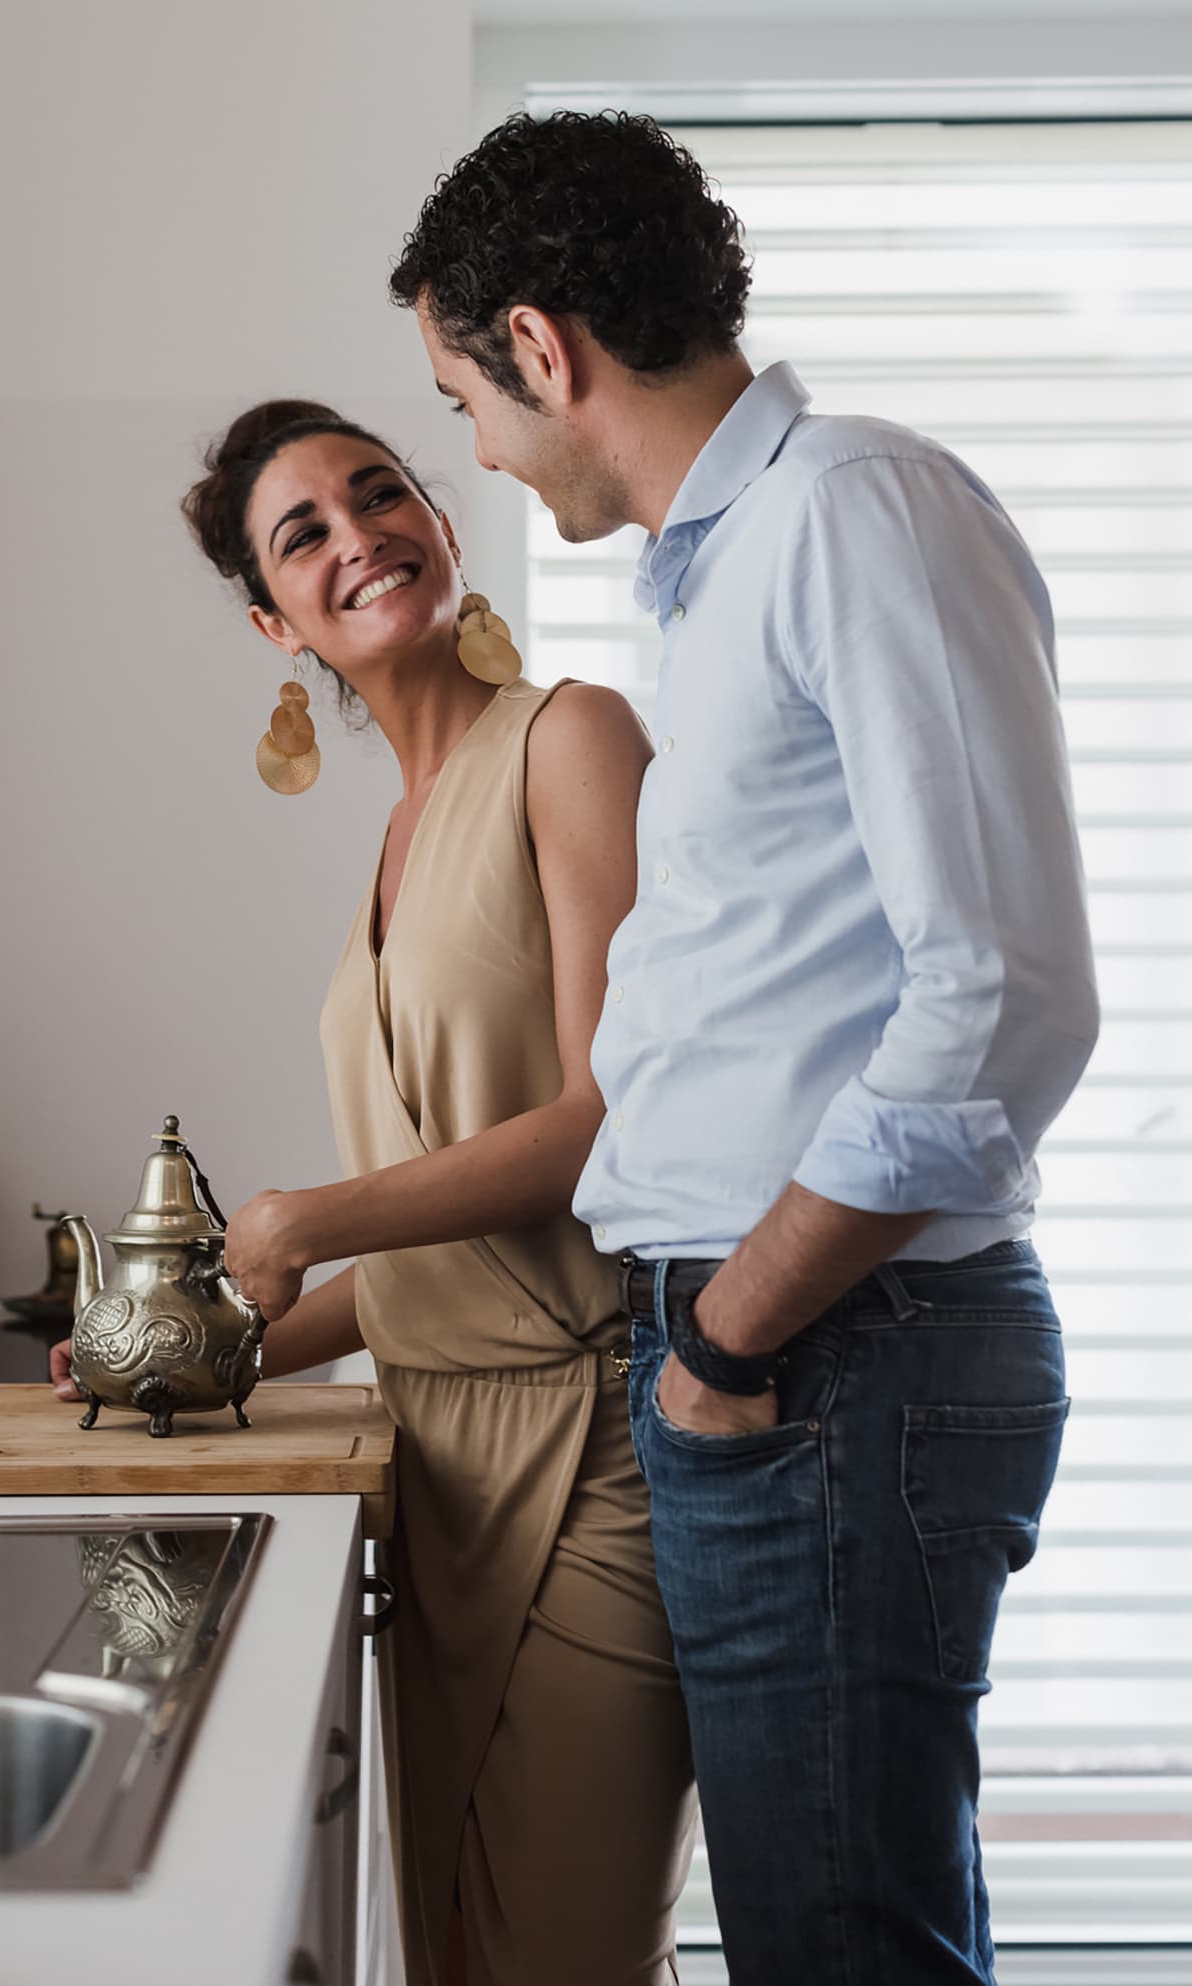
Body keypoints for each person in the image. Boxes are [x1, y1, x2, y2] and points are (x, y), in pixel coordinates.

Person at [390, 110, 1100, 1986]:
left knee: (849, 1953)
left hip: (827, 1363)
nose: (466, 439)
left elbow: (1003, 998)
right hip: (782, 1365)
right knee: (819, 1939)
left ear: (543, 350)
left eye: (459, 390)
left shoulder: (852, 509)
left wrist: (728, 1334)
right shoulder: (722, 572)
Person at [52, 399, 696, 1986]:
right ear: (278, 622)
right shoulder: (396, 835)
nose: (362, 537)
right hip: (438, 1471)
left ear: (446, 522)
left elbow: (615, 1122)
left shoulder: (572, 738)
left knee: (569, 1953)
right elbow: (452, 1241)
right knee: (463, 1954)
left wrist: (302, 1219)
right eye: (308, 534)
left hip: (595, 1452)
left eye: (380, 492)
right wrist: (197, 1358)